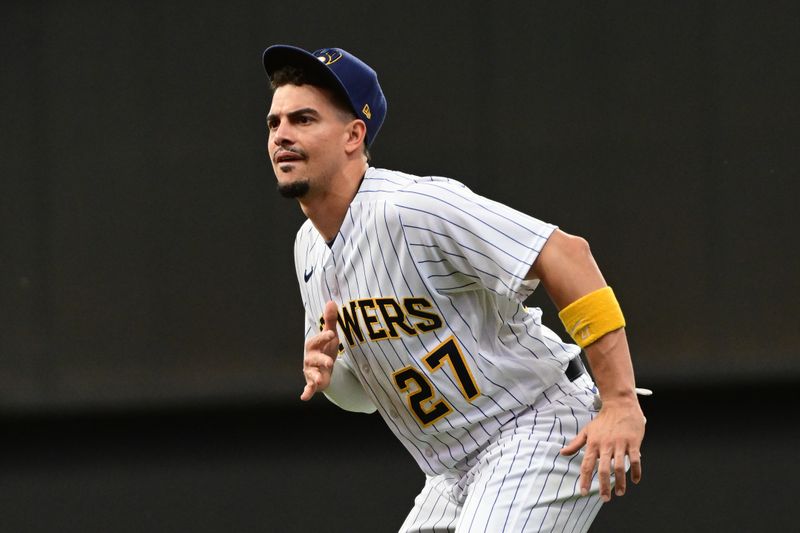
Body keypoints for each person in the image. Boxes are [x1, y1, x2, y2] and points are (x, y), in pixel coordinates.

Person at [262, 44, 646, 532]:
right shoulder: (309, 249)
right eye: (274, 123)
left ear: (353, 135)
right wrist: (332, 375)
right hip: (451, 468)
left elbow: (568, 254)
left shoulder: (410, 208)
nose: (282, 136)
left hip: (534, 423)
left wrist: (620, 402)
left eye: (303, 119)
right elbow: (364, 396)